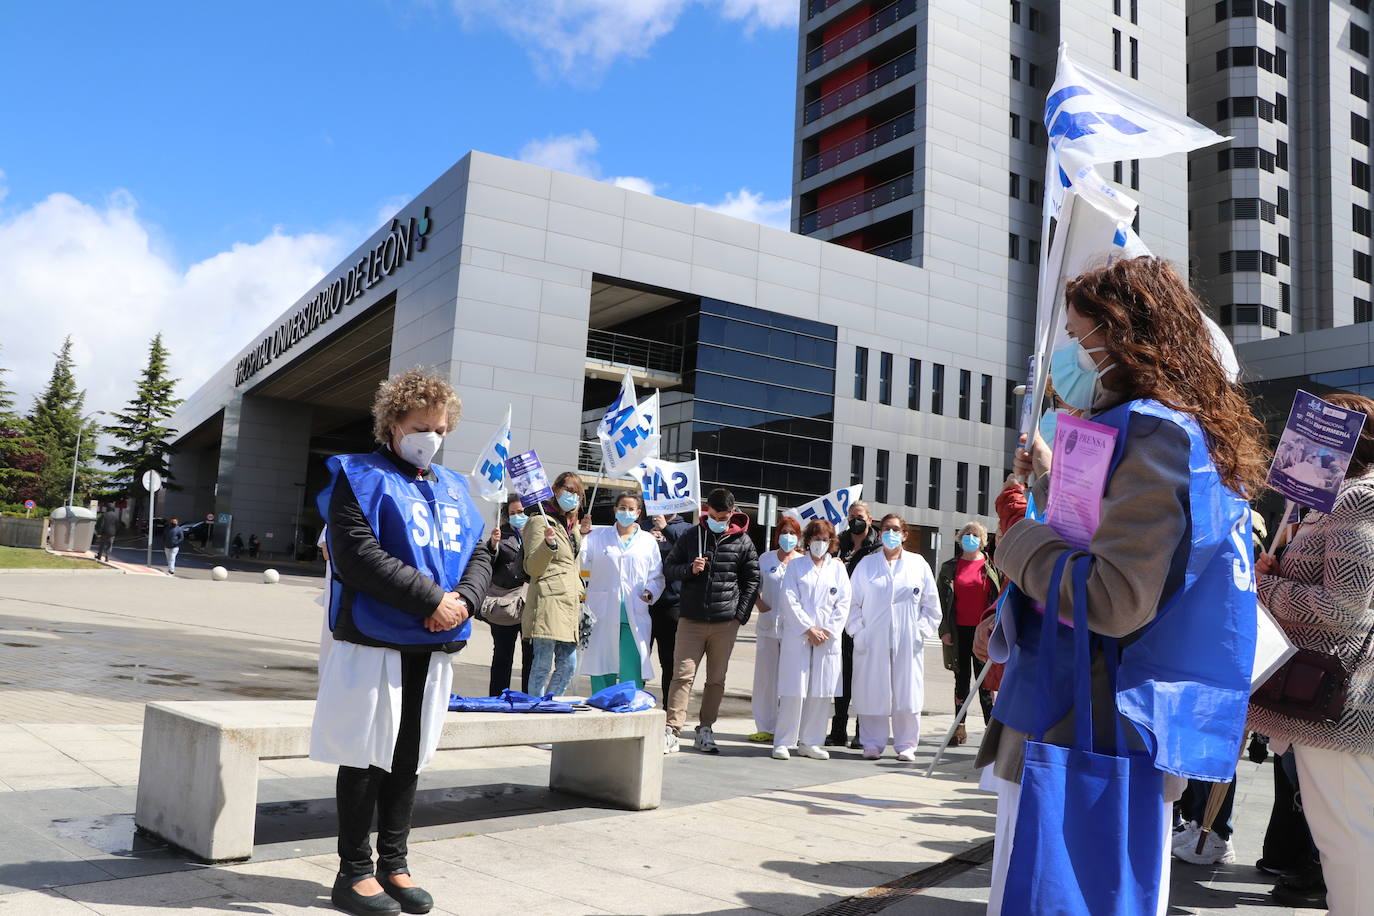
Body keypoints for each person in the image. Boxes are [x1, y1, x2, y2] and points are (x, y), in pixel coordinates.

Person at [982, 256, 1267, 914]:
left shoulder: (1155, 437)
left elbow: (1114, 598)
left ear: (1124, 336)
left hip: (1090, 716)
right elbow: (1101, 536)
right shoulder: (1154, 429)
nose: (1073, 354)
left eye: (1083, 338)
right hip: (1081, 708)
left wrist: (1018, 543)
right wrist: (1054, 484)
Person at [309, 369, 493, 916]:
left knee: (408, 754)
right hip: (375, 640)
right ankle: (354, 871)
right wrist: (430, 601)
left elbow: (482, 551)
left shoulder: (455, 487)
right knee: (367, 754)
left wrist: (464, 600)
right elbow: (357, 553)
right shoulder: (358, 476)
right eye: (420, 427)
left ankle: (394, 861)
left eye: (439, 429)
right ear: (392, 424)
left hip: (434, 644)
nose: (430, 438)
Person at [1250, 390, 1374, 916]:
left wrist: (1263, 590)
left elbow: (1345, 607)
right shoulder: (1338, 501)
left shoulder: (1356, 498)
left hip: (1340, 706)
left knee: (1347, 842)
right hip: (1334, 703)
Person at [663, 488, 760, 754]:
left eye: (724, 516)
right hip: (691, 619)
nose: (719, 520)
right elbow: (669, 568)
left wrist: (740, 616)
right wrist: (689, 569)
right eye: (714, 515)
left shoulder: (743, 542)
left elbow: (752, 580)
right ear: (707, 510)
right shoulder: (691, 535)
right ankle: (672, 729)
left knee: (716, 679)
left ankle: (705, 729)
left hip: (725, 623)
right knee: (682, 676)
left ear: (732, 513)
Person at [848, 514, 941, 762]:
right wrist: (859, 632)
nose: (891, 533)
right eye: (886, 529)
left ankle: (906, 744)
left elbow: (931, 606)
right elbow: (852, 603)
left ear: (905, 534)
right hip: (872, 640)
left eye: (896, 529)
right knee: (872, 690)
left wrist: (919, 631)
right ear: (879, 534)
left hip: (908, 641)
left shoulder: (918, 564)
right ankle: (872, 743)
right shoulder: (867, 565)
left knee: (907, 692)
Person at [774, 518, 851, 761]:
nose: (820, 544)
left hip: (827, 639)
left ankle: (811, 741)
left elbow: (844, 602)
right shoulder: (796, 566)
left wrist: (827, 630)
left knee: (821, 690)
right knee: (793, 689)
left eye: (825, 540)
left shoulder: (838, 569)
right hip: (799, 636)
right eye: (816, 539)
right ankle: (784, 741)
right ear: (807, 541)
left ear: (832, 542)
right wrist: (808, 629)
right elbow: (789, 599)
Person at [581, 492, 665, 691]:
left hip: (634, 611)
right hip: (603, 610)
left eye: (630, 509)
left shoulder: (647, 541)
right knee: (602, 662)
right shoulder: (597, 536)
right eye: (622, 508)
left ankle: (630, 704)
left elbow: (656, 575)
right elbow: (582, 562)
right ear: (615, 510)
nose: (626, 512)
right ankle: (601, 703)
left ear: (638, 513)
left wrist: (649, 592)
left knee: (632, 663)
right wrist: (582, 535)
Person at [522, 471, 591, 698]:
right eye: (569, 490)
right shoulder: (539, 521)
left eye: (577, 493)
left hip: (570, 603)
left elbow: (572, 564)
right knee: (542, 664)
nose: (573, 496)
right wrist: (548, 544)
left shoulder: (571, 527)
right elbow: (531, 567)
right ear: (555, 489)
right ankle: (536, 707)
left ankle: (549, 704)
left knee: (568, 665)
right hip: (548, 600)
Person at [937, 521, 1000, 745]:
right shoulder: (949, 567)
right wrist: (944, 630)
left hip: (983, 632)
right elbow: (940, 604)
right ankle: (958, 727)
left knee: (985, 682)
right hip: (958, 631)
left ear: (982, 540)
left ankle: (991, 730)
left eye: (975, 535)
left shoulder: (991, 567)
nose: (970, 538)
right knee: (961, 679)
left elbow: (1000, 598)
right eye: (967, 534)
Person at [829, 501, 881, 748]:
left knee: (863, 676)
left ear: (869, 519)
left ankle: (862, 731)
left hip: (865, 619)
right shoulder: (839, 543)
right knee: (843, 676)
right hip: (841, 618)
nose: (855, 521)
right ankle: (838, 729)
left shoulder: (877, 547)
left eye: (859, 516)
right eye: (851, 516)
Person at [750, 515, 802, 743]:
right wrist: (760, 605)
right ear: (777, 535)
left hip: (794, 630)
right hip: (768, 626)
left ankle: (789, 728)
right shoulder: (765, 559)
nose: (788, 537)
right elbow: (751, 585)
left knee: (791, 679)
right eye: (784, 532)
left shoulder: (803, 561)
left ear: (799, 537)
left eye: (792, 533)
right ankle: (766, 726)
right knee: (765, 679)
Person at [481, 493, 533, 696]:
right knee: (503, 653)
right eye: (513, 513)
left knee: (531, 654)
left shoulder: (537, 531)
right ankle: (497, 696)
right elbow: (487, 561)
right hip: (505, 603)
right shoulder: (500, 534)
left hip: (530, 601)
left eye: (521, 512)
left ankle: (529, 696)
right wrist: (492, 545)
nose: (518, 516)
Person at [646, 511, 693, 693]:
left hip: (672, 604)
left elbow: (690, 553)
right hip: (644, 603)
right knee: (638, 658)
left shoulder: (687, 529)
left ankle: (669, 708)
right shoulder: (643, 527)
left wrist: (665, 529)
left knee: (669, 661)